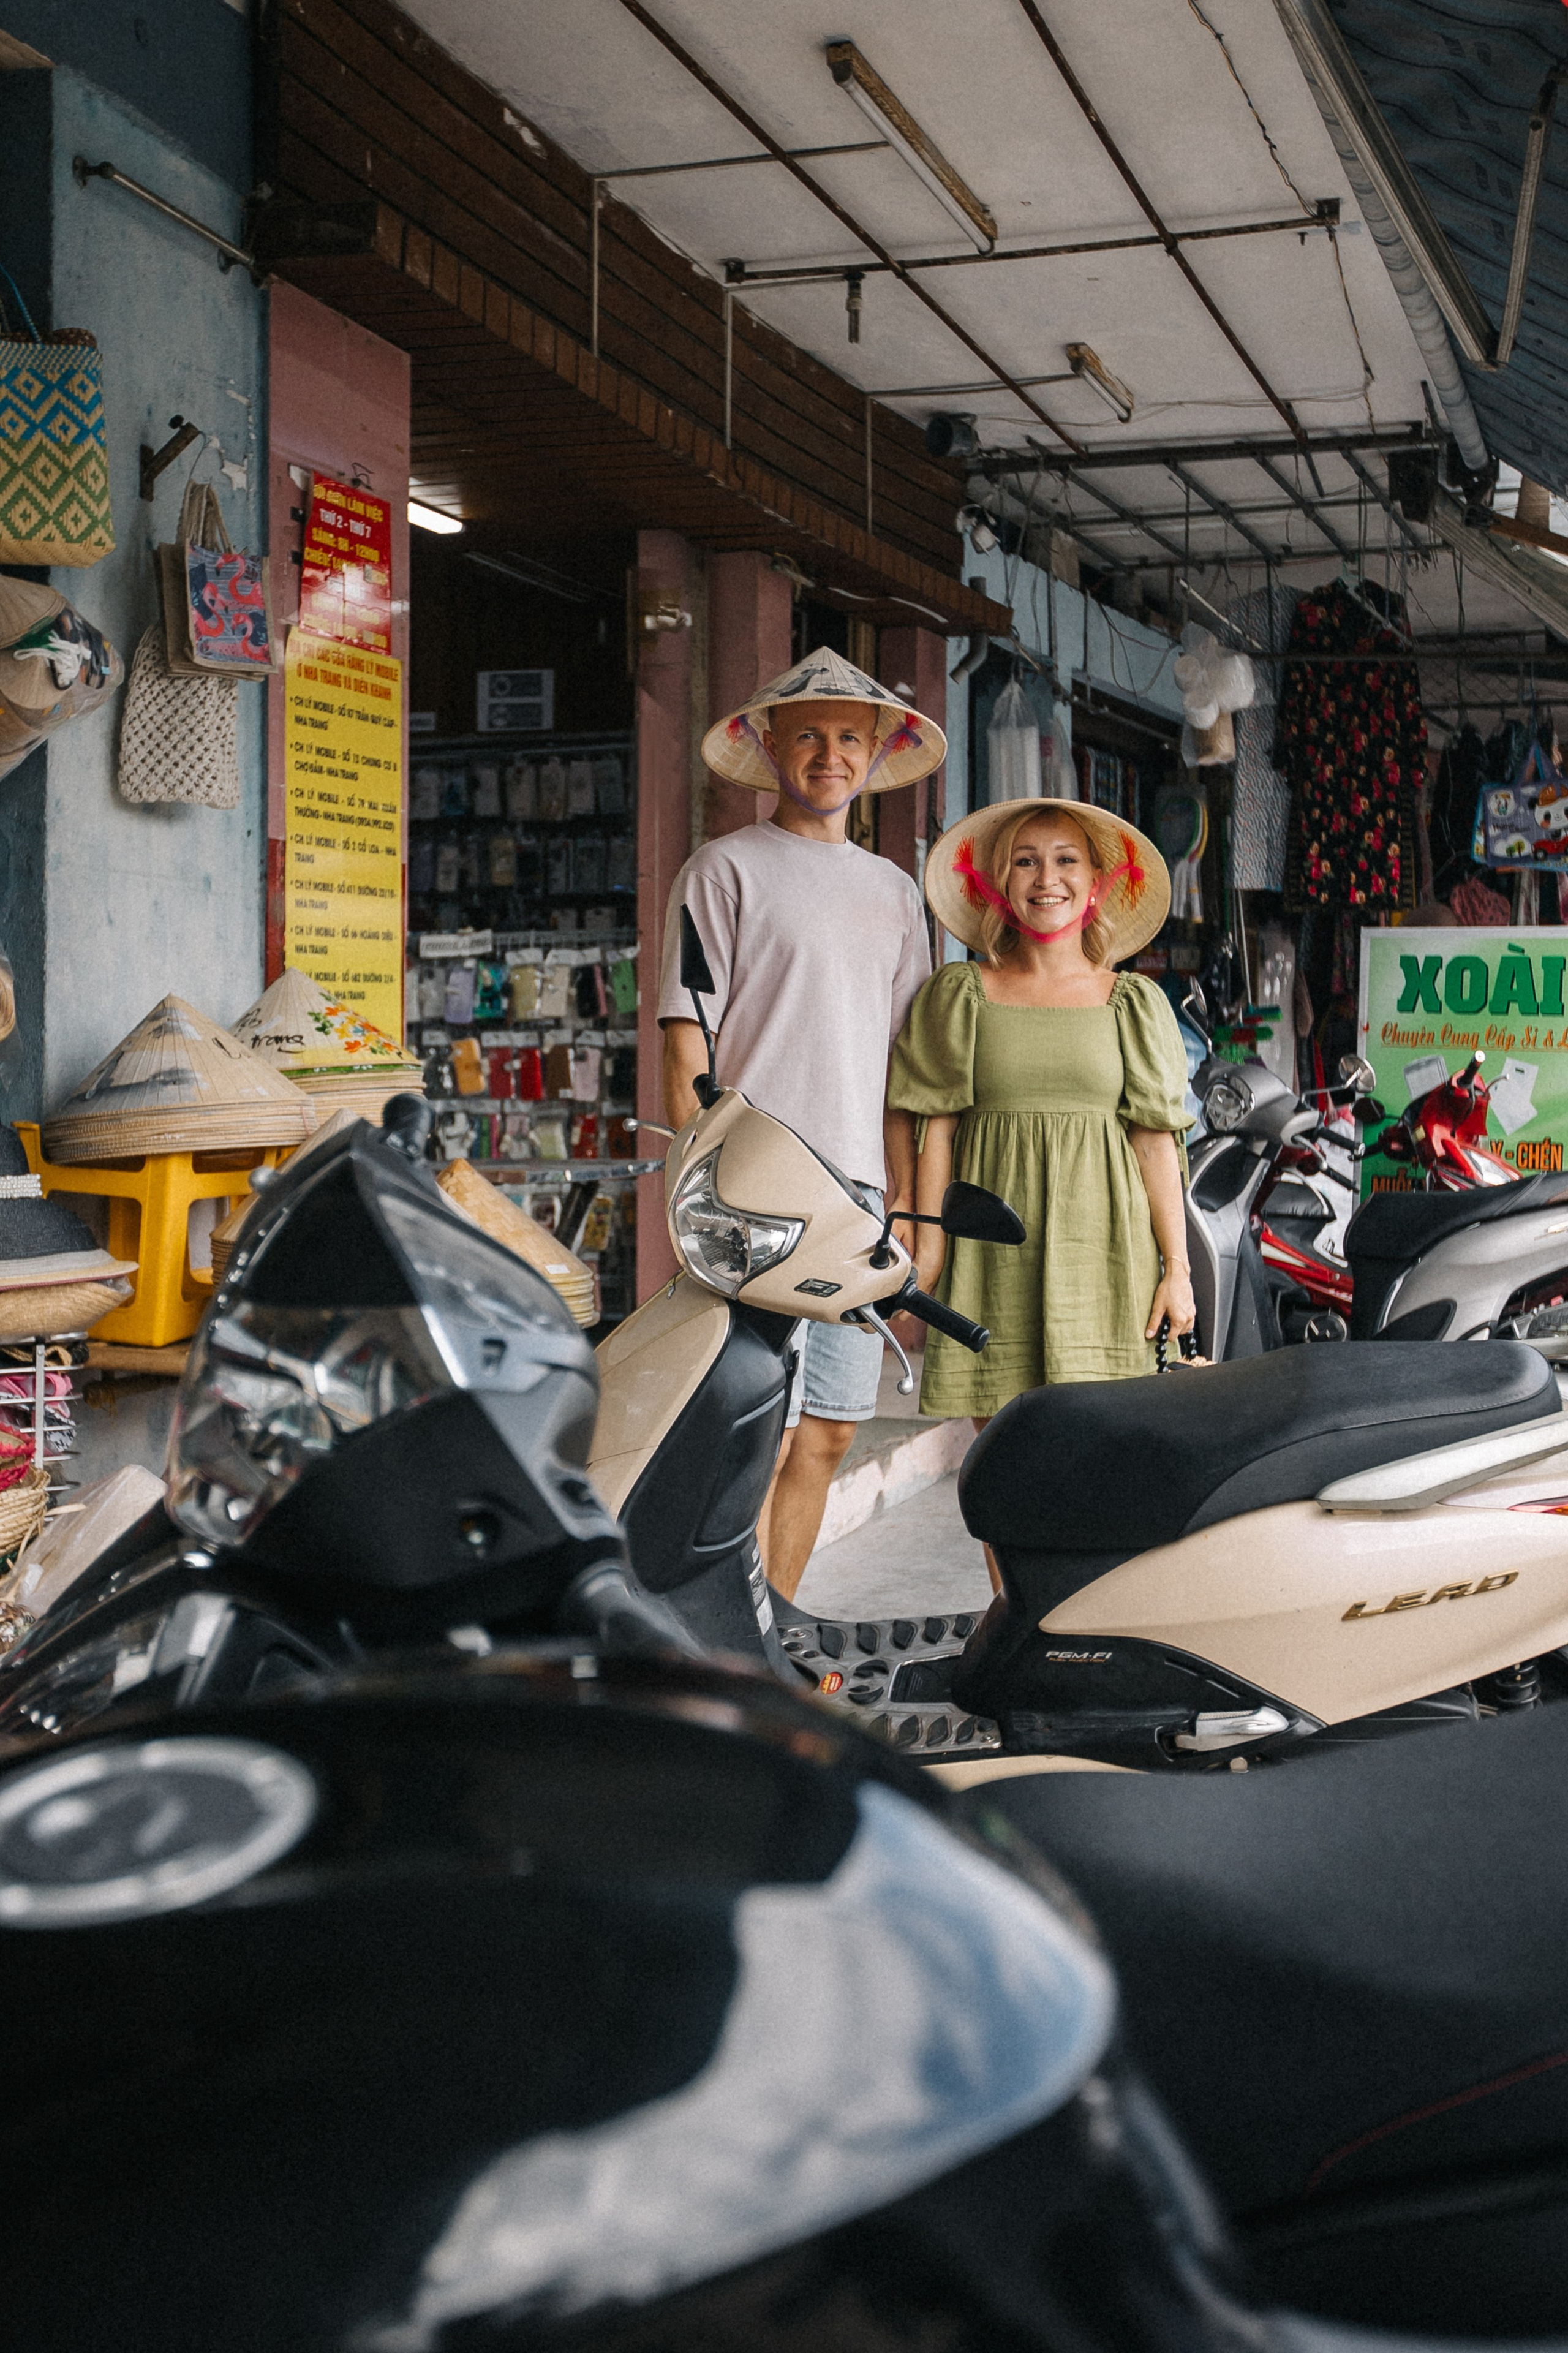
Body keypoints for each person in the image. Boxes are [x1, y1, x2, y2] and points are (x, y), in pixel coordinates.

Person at [658, 649, 944, 1601]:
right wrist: (705, 1196)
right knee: (754, 1429)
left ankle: (772, 1626)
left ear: (876, 753)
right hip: (756, 1193)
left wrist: (908, 1205)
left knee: (827, 1429)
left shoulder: (897, 893)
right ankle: (718, 1628)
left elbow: (909, 1065)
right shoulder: (722, 871)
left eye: (849, 738)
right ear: (769, 745)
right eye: (809, 735)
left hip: (857, 1195)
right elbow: (685, 1048)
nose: (830, 755)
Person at [887, 796, 1193, 1430]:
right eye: (1024, 862)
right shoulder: (960, 992)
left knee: (1096, 1456)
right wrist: (930, 1250)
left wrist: (1178, 1270)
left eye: (1065, 860)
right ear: (998, 884)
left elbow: (1154, 1146)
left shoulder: (1132, 1001)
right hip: (991, 1255)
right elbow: (933, 1130)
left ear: (1098, 882)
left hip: (1108, 1256)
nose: (1045, 878)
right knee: (1003, 1458)